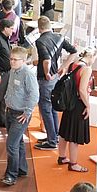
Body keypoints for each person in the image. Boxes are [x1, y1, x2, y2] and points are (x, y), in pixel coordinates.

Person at [34, 16, 78, 151]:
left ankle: (52, 140)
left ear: (39, 28)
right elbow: (74, 51)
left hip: (45, 79)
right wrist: (64, 66)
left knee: (45, 108)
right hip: (56, 78)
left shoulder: (40, 41)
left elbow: (46, 60)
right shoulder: (59, 37)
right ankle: (54, 135)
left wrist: (46, 72)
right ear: (50, 26)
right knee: (52, 107)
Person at [1, 47, 39, 186]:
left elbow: (34, 95)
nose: (11, 62)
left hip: (21, 115)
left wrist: (27, 112)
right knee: (18, 142)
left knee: (11, 145)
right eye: (11, 59)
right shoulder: (13, 71)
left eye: (15, 60)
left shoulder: (27, 74)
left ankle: (11, 175)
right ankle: (22, 169)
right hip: (10, 111)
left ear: (23, 61)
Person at [57, 47, 97, 172]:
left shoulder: (73, 64)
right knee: (75, 135)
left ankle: (62, 157)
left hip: (69, 102)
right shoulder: (86, 69)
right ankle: (73, 163)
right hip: (78, 104)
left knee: (64, 131)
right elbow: (82, 90)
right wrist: (88, 106)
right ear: (91, 56)